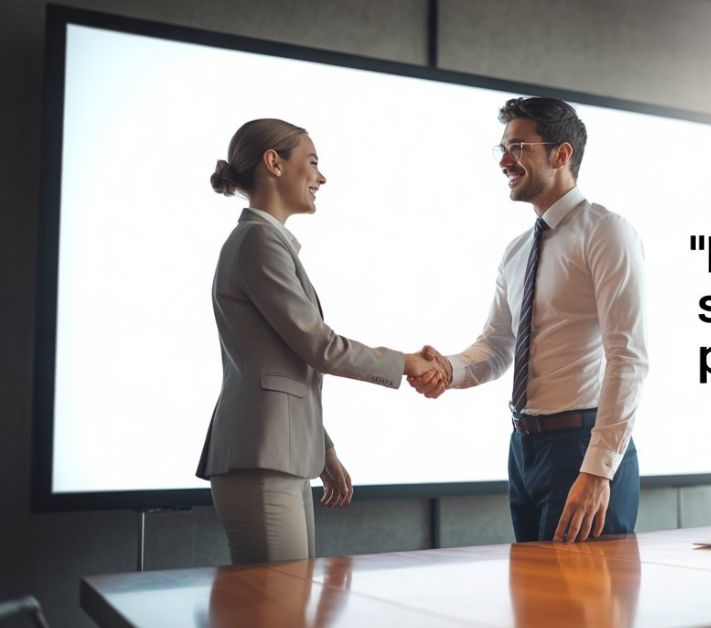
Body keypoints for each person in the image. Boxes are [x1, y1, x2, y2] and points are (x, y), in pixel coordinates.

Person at [197, 118, 445, 564]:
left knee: (289, 605)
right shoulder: (258, 242)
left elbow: (282, 365)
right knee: (277, 608)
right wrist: (405, 362)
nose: (321, 177)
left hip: (277, 455)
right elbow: (319, 346)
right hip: (261, 458)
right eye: (312, 162)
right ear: (274, 162)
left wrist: (323, 448)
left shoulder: (264, 242)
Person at [413, 98, 648, 543]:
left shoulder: (606, 233)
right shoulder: (517, 250)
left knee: (586, 609)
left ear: (561, 154)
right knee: (535, 606)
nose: (504, 160)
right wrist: (449, 368)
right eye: (502, 148)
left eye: (518, 146)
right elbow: (498, 345)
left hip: (582, 446)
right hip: (524, 449)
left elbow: (629, 357)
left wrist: (598, 472)